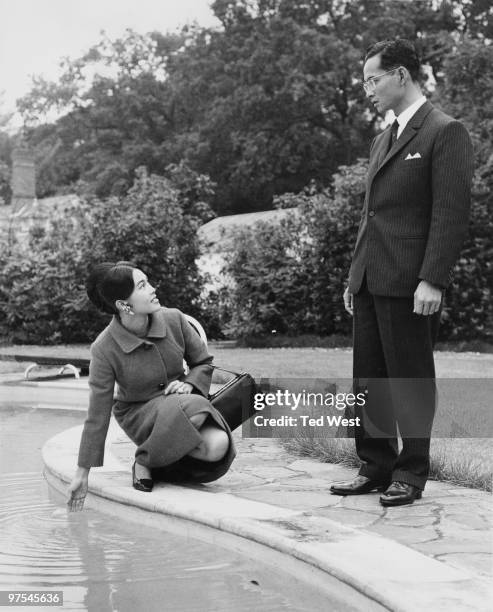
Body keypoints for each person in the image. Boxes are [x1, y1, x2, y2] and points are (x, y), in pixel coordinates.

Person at [330, 39, 474, 506]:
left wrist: (433, 278)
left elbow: (450, 213)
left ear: (401, 76)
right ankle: (374, 465)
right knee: (367, 378)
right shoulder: (381, 139)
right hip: (371, 279)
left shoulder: (444, 132)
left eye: (373, 79)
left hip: (412, 282)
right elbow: (371, 215)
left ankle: (410, 474)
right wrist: (355, 276)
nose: (367, 89)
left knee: (409, 378)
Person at [67, 261, 235, 511]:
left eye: (148, 281)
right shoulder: (103, 348)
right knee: (198, 409)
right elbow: (97, 413)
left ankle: (153, 461)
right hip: (140, 412)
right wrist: (82, 472)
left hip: (183, 402)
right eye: (143, 286)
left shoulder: (174, 319)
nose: (153, 289)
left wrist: (190, 383)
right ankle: (147, 459)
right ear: (124, 305)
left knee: (218, 446)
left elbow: (203, 363)